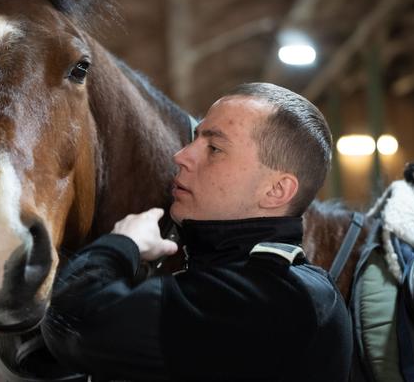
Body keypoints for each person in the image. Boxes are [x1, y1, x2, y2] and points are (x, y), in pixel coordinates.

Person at [42, 82, 353, 381]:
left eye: (214, 148)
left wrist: (121, 245)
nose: (182, 156)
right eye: (195, 138)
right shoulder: (246, 279)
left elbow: (76, 326)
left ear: (276, 190)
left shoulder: (275, 299)